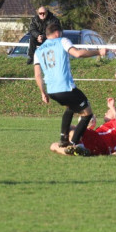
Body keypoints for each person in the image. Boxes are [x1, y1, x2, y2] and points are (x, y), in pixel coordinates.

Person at [34, 21, 107, 149]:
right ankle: (74, 143)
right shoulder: (62, 41)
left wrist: (43, 92)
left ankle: (63, 139)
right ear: (57, 33)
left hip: (52, 90)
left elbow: (38, 75)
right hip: (65, 87)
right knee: (87, 113)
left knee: (70, 107)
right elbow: (78, 53)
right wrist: (98, 52)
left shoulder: (38, 50)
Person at [49, 98, 116, 156]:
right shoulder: (112, 133)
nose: (106, 113)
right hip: (96, 148)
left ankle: (77, 146)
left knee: (71, 128)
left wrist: (112, 107)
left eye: (108, 111)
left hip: (97, 141)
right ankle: (72, 150)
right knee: (53, 146)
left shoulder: (115, 122)